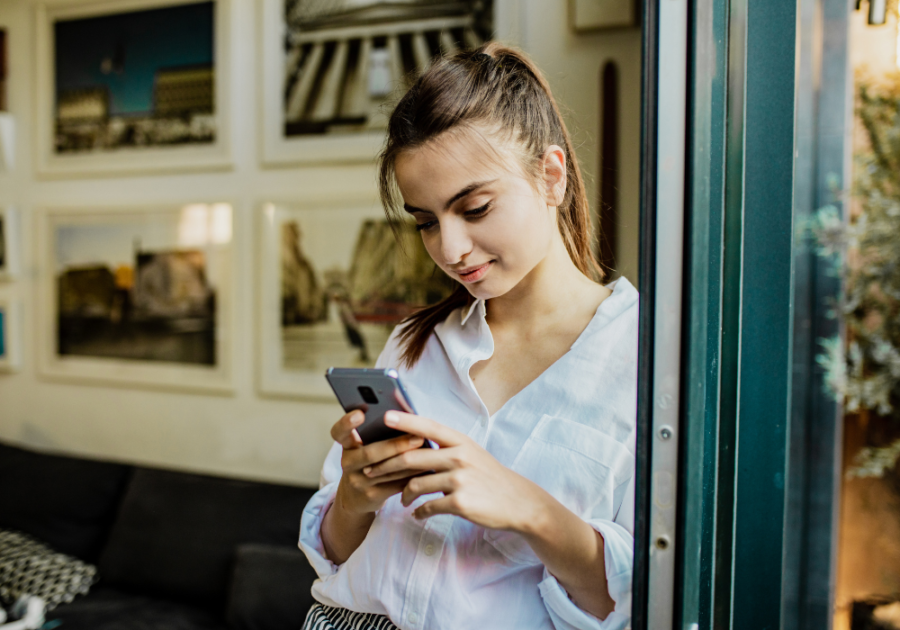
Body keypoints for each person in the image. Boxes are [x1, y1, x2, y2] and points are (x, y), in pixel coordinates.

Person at [299, 42, 637, 630]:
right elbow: (334, 551)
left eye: (475, 208)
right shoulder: (413, 343)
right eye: (426, 221)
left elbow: (636, 601)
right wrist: (355, 495)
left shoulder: (647, 360)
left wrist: (527, 507)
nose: (449, 250)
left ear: (551, 176)